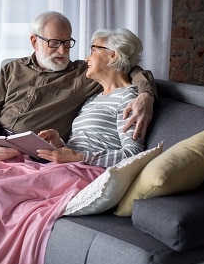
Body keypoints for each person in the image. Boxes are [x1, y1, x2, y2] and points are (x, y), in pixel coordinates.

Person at [0, 11, 156, 162]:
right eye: (55, 43)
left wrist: (146, 94)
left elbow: (129, 69)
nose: (62, 50)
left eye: (67, 43)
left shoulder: (84, 74)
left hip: (29, 157)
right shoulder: (12, 68)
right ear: (35, 42)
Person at [38, 28, 145, 167]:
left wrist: (79, 157)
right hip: (67, 168)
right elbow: (79, 149)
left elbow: (134, 154)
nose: (86, 58)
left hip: (87, 172)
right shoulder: (92, 99)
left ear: (113, 55)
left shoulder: (128, 97)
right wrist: (58, 143)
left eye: (93, 50)